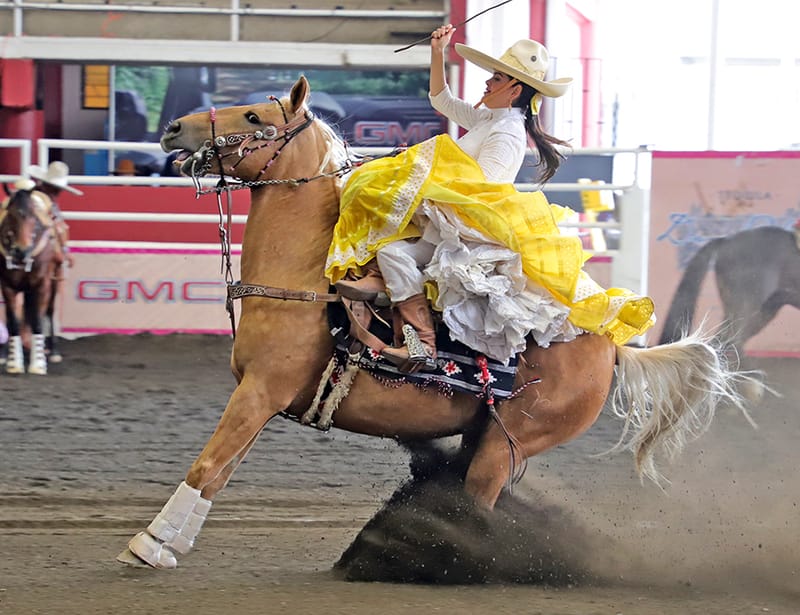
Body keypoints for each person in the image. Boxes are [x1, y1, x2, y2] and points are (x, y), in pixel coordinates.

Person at [326, 25, 655, 371]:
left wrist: (426, 175)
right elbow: (441, 100)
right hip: (448, 218)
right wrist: (439, 52)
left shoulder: (507, 133)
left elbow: (483, 190)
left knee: (394, 248)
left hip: (468, 228)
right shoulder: (489, 118)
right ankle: (389, 304)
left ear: (514, 90)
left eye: (496, 79)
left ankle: (420, 343)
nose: (487, 83)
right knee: (387, 234)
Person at [28, 161, 81, 268]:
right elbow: (58, 226)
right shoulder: (45, 201)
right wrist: (65, 251)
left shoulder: (30, 195)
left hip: (22, 240)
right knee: (59, 260)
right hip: (35, 241)